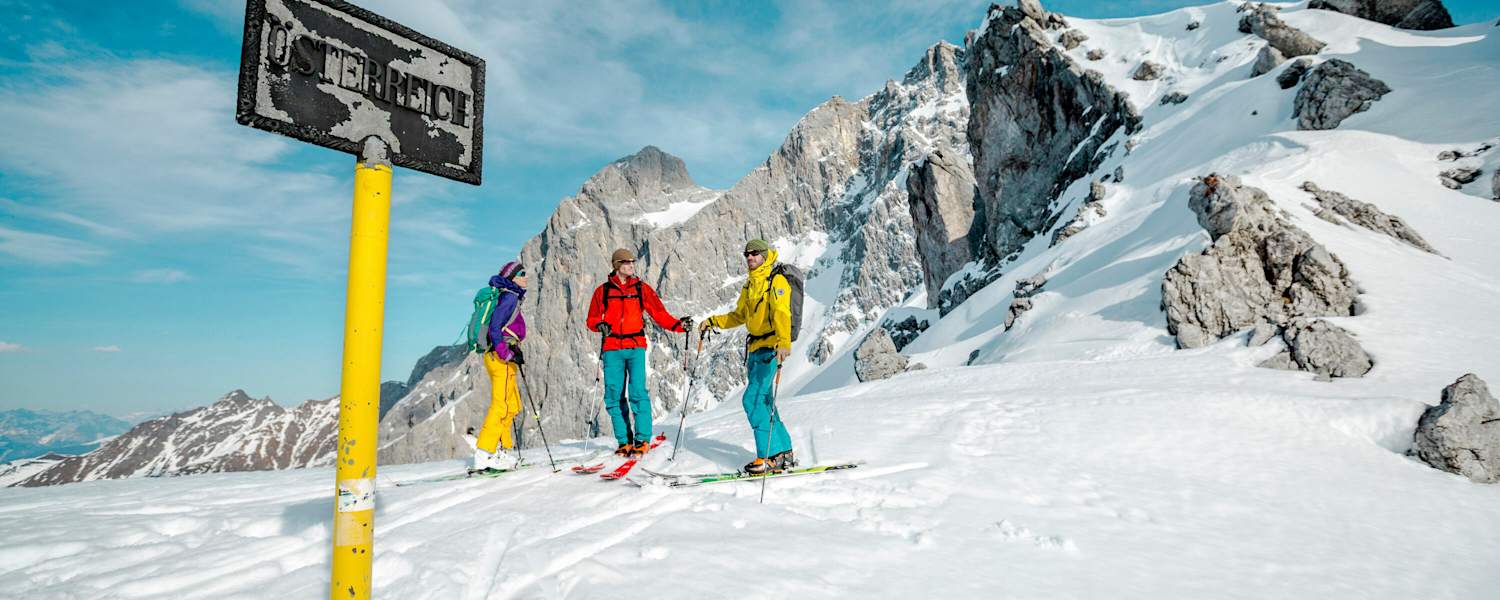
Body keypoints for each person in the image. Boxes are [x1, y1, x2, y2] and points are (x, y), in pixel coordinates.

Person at [700, 239, 795, 475]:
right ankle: (784, 453)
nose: (750, 257)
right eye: (747, 254)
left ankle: (770, 456)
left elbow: (782, 312)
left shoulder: (776, 280)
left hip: (770, 348)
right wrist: (715, 321)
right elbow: (739, 315)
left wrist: (783, 342)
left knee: (752, 400)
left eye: (754, 254)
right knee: (764, 402)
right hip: (755, 350)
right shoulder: (751, 283)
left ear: (765, 255)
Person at [585, 248, 692, 457]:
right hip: (612, 349)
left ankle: (642, 440)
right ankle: (624, 441)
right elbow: (591, 319)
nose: (631, 265)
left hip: (635, 346)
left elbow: (659, 313)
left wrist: (679, 325)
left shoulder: (641, 289)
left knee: (638, 394)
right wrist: (600, 325)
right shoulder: (603, 291)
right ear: (617, 265)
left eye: (632, 262)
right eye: (626, 262)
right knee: (613, 397)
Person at [473, 261, 528, 471]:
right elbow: (495, 328)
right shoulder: (509, 298)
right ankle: (484, 453)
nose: (526, 276)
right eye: (522, 273)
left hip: (504, 357)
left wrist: (513, 350)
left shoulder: (510, 297)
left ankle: (503, 451)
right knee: (501, 405)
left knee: (513, 406)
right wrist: (506, 352)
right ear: (512, 277)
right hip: (500, 359)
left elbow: (506, 330)